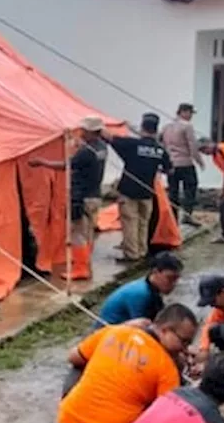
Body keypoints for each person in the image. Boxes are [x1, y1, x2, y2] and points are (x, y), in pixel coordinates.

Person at [58, 303, 198, 423]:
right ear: (165, 330)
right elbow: (165, 420)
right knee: (161, 409)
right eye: (184, 342)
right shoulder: (167, 368)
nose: (185, 349)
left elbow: (73, 356)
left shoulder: (115, 331)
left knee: (80, 365)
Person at [28, 115, 108, 266]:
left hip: (82, 197)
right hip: (95, 195)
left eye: (84, 130)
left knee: (77, 234)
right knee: (88, 232)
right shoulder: (102, 147)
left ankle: (80, 268)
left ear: (92, 132)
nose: (81, 133)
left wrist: (41, 162)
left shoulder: (86, 152)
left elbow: (66, 165)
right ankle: (86, 262)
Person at [104, 113, 172, 264]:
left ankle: (132, 254)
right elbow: (169, 170)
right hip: (147, 192)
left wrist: (113, 124)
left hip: (129, 191)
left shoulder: (132, 144)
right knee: (143, 223)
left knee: (129, 222)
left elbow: (108, 137)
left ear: (142, 128)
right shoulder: (160, 150)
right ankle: (142, 251)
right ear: (155, 130)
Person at [93, 252, 183, 328]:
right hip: (106, 335)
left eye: (176, 279)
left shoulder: (151, 288)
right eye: (170, 278)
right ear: (155, 272)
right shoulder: (141, 294)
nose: (174, 284)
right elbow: (143, 328)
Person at [160, 103, 204, 225]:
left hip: (171, 163)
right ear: (184, 112)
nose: (191, 116)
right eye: (190, 113)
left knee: (173, 191)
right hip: (185, 162)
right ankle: (187, 215)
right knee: (190, 188)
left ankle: (172, 218)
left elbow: (161, 144)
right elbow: (192, 146)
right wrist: (199, 161)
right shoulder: (187, 126)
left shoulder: (166, 127)